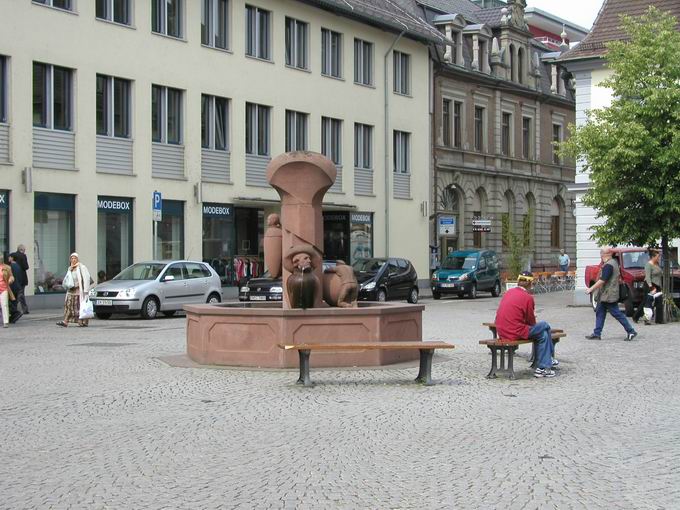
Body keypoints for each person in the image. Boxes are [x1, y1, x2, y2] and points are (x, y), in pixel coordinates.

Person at [495, 272, 558, 378]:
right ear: (529, 283)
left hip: (502, 331)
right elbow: (531, 321)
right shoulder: (527, 297)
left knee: (543, 335)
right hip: (515, 331)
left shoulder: (508, 292)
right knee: (545, 325)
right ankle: (545, 364)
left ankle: (544, 365)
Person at [585, 248, 638, 341]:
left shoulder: (609, 265)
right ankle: (597, 333)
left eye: (601, 254)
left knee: (617, 313)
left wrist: (591, 289)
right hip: (605, 294)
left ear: (604, 254)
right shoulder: (613, 262)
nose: (600, 256)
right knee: (600, 312)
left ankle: (631, 331)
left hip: (608, 294)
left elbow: (602, 280)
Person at [57, 253, 92, 328]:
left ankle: (81, 321)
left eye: (75, 258)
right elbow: (68, 279)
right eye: (72, 258)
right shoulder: (70, 268)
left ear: (77, 259)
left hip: (79, 292)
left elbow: (86, 278)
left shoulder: (82, 267)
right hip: (70, 291)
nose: (73, 260)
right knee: (69, 306)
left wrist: (85, 290)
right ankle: (65, 322)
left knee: (78, 307)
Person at [633, 248, 663, 325]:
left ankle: (659, 320)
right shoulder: (648, 265)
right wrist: (651, 287)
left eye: (659, 257)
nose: (658, 258)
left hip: (657, 285)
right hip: (650, 285)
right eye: (657, 257)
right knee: (646, 302)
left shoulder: (657, 264)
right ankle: (636, 316)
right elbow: (648, 277)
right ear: (653, 257)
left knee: (659, 301)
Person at [11, 244, 30, 314]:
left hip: (14, 277)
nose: (25, 252)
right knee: (21, 293)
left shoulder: (12, 255)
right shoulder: (23, 256)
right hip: (22, 277)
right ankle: (18, 309)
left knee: (17, 293)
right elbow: (26, 267)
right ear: (21, 250)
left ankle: (23, 309)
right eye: (24, 250)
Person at [7, 253, 24, 324]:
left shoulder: (10, 267)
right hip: (18, 286)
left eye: (9, 257)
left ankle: (15, 313)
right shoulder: (18, 266)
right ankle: (13, 317)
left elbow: (10, 277)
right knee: (14, 302)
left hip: (12, 287)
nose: (8, 258)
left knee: (10, 302)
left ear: (12, 258)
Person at [0, 253, 15, 328]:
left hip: (4, 288)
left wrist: (10, 280)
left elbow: (12, 276)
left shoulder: (7, 267)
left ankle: (5, 322)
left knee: (4, 304)